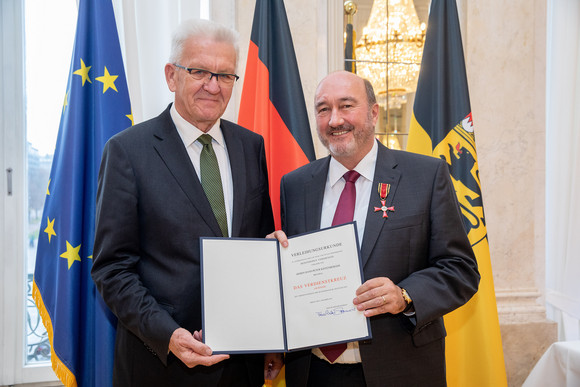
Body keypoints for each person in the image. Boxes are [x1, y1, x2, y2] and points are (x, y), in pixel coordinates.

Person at [91, 19, 274, 386]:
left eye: (225, 75)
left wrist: (271, 336)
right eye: (200, 71)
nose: (213, 85)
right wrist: (169, 335)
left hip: (243, 365)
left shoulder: (250, 146)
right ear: (172, 76)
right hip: (161, 364)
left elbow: (259, 242)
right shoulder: (128, 152)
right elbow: (112, 269)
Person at [268, 71, 480, 386]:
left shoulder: (425, 176)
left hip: (400, 369)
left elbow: (461, 269)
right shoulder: (296, 185)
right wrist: (272, 259)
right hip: (313, 372)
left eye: (346, 105)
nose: (334, 119)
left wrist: (405, 295)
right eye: (323, 109)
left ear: (374, 112)